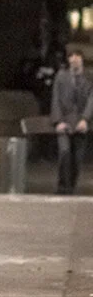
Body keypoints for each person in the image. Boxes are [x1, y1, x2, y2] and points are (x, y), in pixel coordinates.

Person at [50, 48, 93, 195]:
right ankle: (62, 186)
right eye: (72, 56)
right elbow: (55, 99)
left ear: (82, 59)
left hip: (81, 122)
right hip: (64, 122)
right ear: (68, 59)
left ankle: (71, 186)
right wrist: (58, 121)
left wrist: (85, 119)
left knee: (77, 158)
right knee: (64, 151)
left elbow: (91, 100)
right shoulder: (61, 76)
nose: (74, 59)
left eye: (77, 56)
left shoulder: (89, 77)